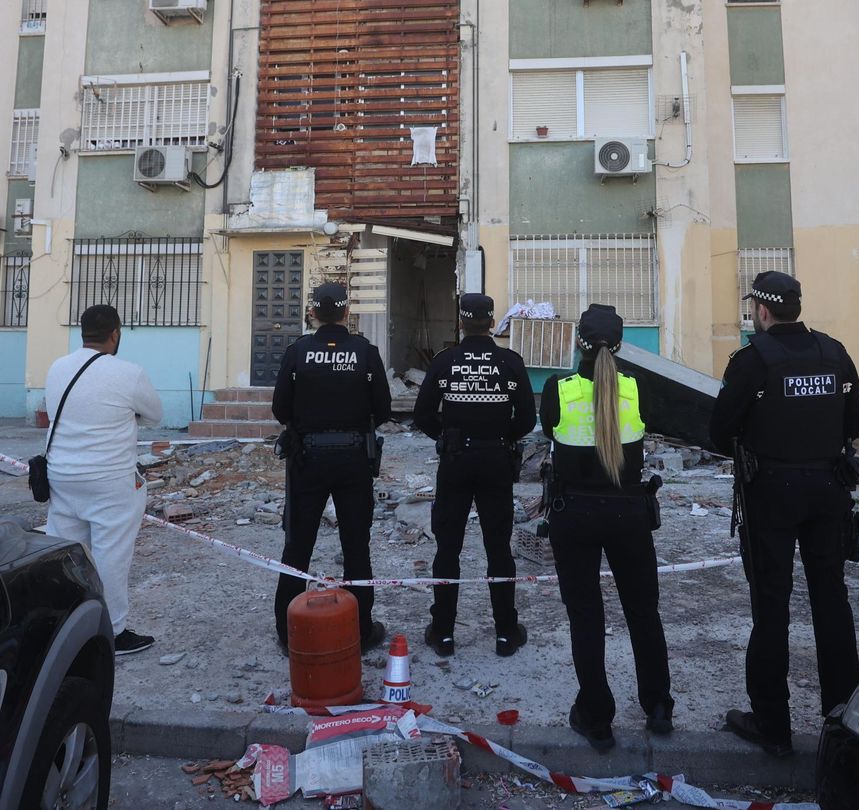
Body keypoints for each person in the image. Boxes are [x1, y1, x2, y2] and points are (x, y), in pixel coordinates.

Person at [708, 270, 859, 758]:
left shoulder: (753, 361)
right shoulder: (834, 352)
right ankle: (843, 718)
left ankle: (772, 722)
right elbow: (855, 422)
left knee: (771, 608)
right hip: (827, 491)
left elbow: (719, 432)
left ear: (761, 309)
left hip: (771, 496)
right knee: (831, 602)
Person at [540, 303, 673, 752]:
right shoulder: (638, 389)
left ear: (579, 341)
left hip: (573, 514)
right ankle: (658, 706)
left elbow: (548, 432)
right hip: (628, 514)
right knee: (643, 612)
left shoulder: (558, 388)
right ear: (619, 345)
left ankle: (596, 717)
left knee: (586, 617)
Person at [414, 293, 538, 658]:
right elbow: (528, 419)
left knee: (447, 546)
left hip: (455, 461)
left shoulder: (446, 361)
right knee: (498, 547)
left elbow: (422, 414)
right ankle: (505, 633)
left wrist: (447, 434)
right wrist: (502, 437)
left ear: (461, 320)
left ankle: (443, 633)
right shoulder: (509, 361)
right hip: (496, 460)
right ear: (492, 320)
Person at [272, 281, 393, 651]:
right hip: (354, 459)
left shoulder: (298, 352)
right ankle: (359, 630)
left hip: (307, 460)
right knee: (356, 545)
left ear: (313, 312)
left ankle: (286, 630)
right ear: (346, 311)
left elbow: (280, 409)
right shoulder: (364, 352)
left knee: (297, 545)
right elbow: (384, 409)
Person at [44, 304, 164, 656]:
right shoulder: (128, 373)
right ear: (115, 334)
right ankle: (113, 632)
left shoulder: (57, 368)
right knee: (111, 555)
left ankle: (64, 625)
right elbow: (155, 415)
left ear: (82, 333)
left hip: (61, 476)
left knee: (66, 553)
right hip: (110, 481)